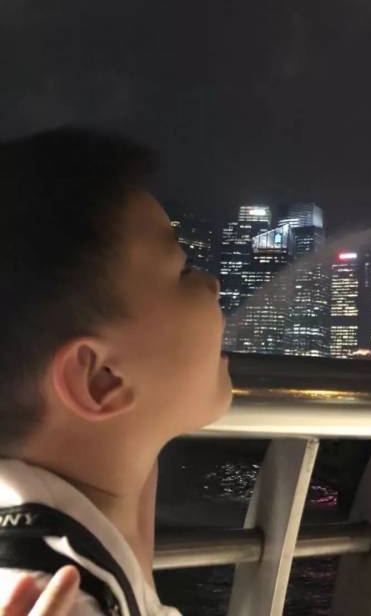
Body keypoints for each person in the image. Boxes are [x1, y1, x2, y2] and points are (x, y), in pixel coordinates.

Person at [0, 126, 233, 614]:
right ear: (101, 379)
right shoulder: (62, 599)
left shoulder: (80, 529)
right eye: (183, 272)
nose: (211, 285)